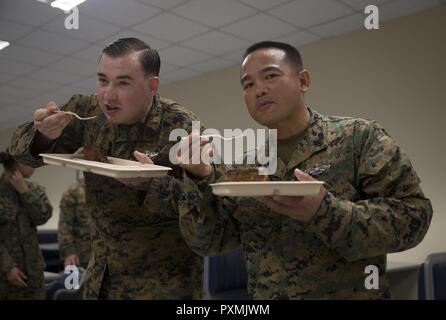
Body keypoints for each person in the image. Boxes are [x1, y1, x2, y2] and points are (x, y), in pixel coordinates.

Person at [177, 41, 434, 299]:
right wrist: (199, 177)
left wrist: (326, 213)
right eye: (248, 84)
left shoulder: (359, 139)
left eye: (270, 76)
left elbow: (414, 218)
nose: (259, 90)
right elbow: (208, 242)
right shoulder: (247, 167)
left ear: (303, 81)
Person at [9, 38, 203, 299]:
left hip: (163, 282)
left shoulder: (178, 124)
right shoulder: (88, 112)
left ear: (151, 86)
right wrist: (44, 134)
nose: (108, 95)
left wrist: (150, 187)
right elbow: (23, 154)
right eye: (103, 80)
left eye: (123, 82)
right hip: (101, 277)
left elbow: (202, 208)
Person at [0, 150, 52, 299]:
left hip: (34, 272)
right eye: (31, 161)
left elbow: (43, 217)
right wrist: (7, 267)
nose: (35, 165)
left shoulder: (33, 189)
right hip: (5, 275)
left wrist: (25, 192)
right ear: (18, 163)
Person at [58, 178, 92, 269]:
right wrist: (69, 252)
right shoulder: (74, 192)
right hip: (82, 256)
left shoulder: (111, 191)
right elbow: (64, 226)